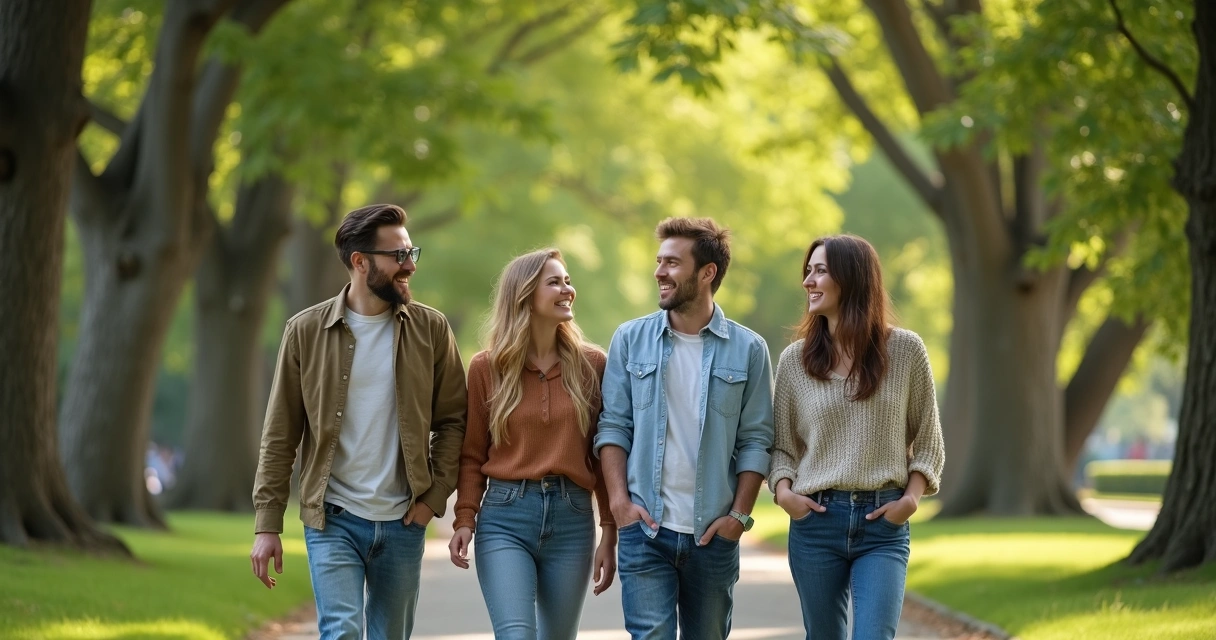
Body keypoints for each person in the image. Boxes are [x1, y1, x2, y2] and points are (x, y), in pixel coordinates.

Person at [250, 203, 468, 640]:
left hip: (404, 519)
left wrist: (433, 499)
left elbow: (454, 421)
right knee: (342, 631)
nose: (409, 266)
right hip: (333, 518)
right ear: (360, 261)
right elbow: (280, 434)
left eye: (412, 253)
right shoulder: (305, 331)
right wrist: (267, 524)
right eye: (398, 256)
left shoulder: (431, 330)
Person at [595, 217, 775, 640]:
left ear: (707, 272)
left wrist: (739, 515)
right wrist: (620, 504)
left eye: (672, 263)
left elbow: (756, 440)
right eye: (659, 261)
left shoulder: (749, 349)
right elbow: (613, 427)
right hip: (645, 529)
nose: (659, 272)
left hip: (713, 535)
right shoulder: (630, 339)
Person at [768, 234, 945, 640]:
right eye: (807, 272)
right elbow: (780, 447)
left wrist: (911, 500)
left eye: (820, 271)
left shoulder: (905, 351)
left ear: (852, 279)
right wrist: (784, 494)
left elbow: (930, 440)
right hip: (816, 524)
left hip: (883, 524)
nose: (808, 282)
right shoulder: (794, 362)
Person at [447, 248, 617, 639]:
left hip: (572, 519)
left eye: (568, 280)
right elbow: (472, 455)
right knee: (517, 634)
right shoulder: (487, 368)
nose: (567, 289)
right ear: (524, 295)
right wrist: (465, 519)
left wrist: (609, 529)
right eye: (555, 282)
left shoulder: (593, 364)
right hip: (506, 517)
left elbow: (604, 453)